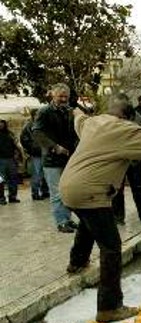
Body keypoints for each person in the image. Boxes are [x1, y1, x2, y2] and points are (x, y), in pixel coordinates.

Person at [59, 94, 141, 323]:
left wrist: (74, 109)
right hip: (90, 191)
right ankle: (109, 307)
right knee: (111, 247)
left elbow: (78, 118)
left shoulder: (92, 122)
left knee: (88, 221)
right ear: (128, 116)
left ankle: (77, 262)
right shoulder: (126, 130)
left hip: (68, 187)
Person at [33, 83, 79, 233]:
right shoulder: (44, 112)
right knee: (57, 192)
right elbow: (37, 133)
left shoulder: (69, 111)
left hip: (68, 158)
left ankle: (67, 219)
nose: (64, 99)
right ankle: (61, 221)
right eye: (61, 96)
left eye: (66, 96)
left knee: (67, 190)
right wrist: (55, 147)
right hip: (52, 159)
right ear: (53, 95)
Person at [112, 104, 141, 224]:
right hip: (119, 160)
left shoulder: (136, 119)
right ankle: (118, 217)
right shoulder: (113, 119)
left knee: (138, 187)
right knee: (118, 189)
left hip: (134, 159)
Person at [21, 108, 50, 200]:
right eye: (37, 114)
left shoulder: (44, 125)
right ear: (33, 115)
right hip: (36, 154)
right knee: (37, 174)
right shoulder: (28, 126)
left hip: (45, 152)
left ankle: (45, 191)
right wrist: (31, 149)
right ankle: (35, 193)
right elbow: (23, 139)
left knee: (46, 173)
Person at [0, 119, 21, 204]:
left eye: (2, 124)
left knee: (13, 179)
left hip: (11, 159)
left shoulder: (10, 134)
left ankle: (12, 197)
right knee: (1, 181)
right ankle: (1, 198)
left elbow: (16, 145)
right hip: (0, 160)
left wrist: (17, 155)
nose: (1, 126)